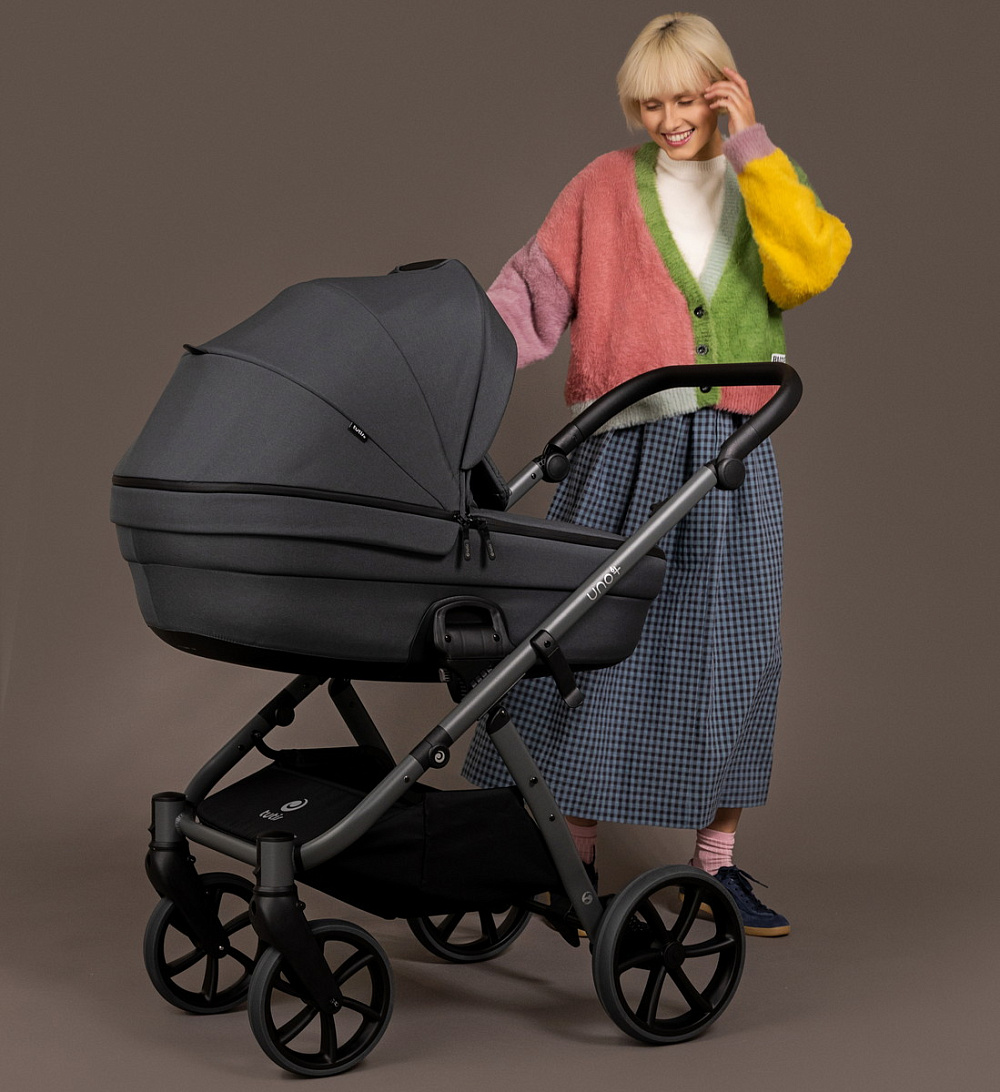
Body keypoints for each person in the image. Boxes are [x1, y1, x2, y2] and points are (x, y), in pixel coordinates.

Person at [461, 13, 851, 936]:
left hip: (731, 460)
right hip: (622, 450)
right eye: (648, 105)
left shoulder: (762, 181)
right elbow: (530, 296)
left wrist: (754, 147)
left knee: (736, 656)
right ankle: (572, 856)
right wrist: (453, 359)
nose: (668, 121)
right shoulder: (602, 186)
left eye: (684, 100)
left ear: (722, 90)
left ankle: (718, 865)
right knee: (585, 645)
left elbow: (810, 268)